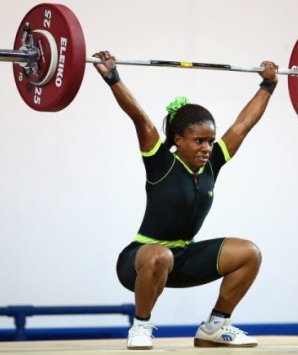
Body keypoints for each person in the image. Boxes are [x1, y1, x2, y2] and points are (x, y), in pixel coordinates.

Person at [93, 50, 278, 350]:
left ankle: (215, 326)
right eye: (199, 140)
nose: (207, 147)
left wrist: (267, 86)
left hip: (183, 258)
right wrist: (112, 77)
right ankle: (140, 326)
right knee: (160, 256)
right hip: (140, 261)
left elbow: (244, 125)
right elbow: (139, 117)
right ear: (179, 140)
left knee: (249, 253)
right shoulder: (160, 163)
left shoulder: (213, 164)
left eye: (210, 140)